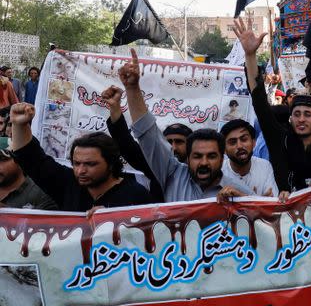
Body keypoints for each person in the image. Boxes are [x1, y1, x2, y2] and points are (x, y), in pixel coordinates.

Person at [118, 51, 250, 202]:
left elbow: (266, 220)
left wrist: (245, 205)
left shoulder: (239, 192)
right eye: (197, 156)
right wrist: (132, 88)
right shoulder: (172, 174)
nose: (204, 163)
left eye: (212, 156)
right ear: (188, 157)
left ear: (222, 159)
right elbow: (148, 134)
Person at [234, 19, 311, 194]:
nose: (301, 119)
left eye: (307, 114)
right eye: (297, 114)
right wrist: (250, 56)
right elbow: (260, 102)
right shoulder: (279, 141)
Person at [9, 103, 153, 211]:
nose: (80, 171)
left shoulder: (136, 195)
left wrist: (113, 220)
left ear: (111, 164)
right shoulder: (68, 182)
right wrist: (19, 124)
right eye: (76, 163)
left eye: (90, 164)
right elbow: (31, 159)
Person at [220, 119, 277, 196]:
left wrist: (243, 197)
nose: (239, 146)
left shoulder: (264, 166)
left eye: (244, 139)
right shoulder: (218, 172)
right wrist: (257, 200)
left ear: (253, 143)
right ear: (224, 149)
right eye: (233, 142)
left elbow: (272, 203)